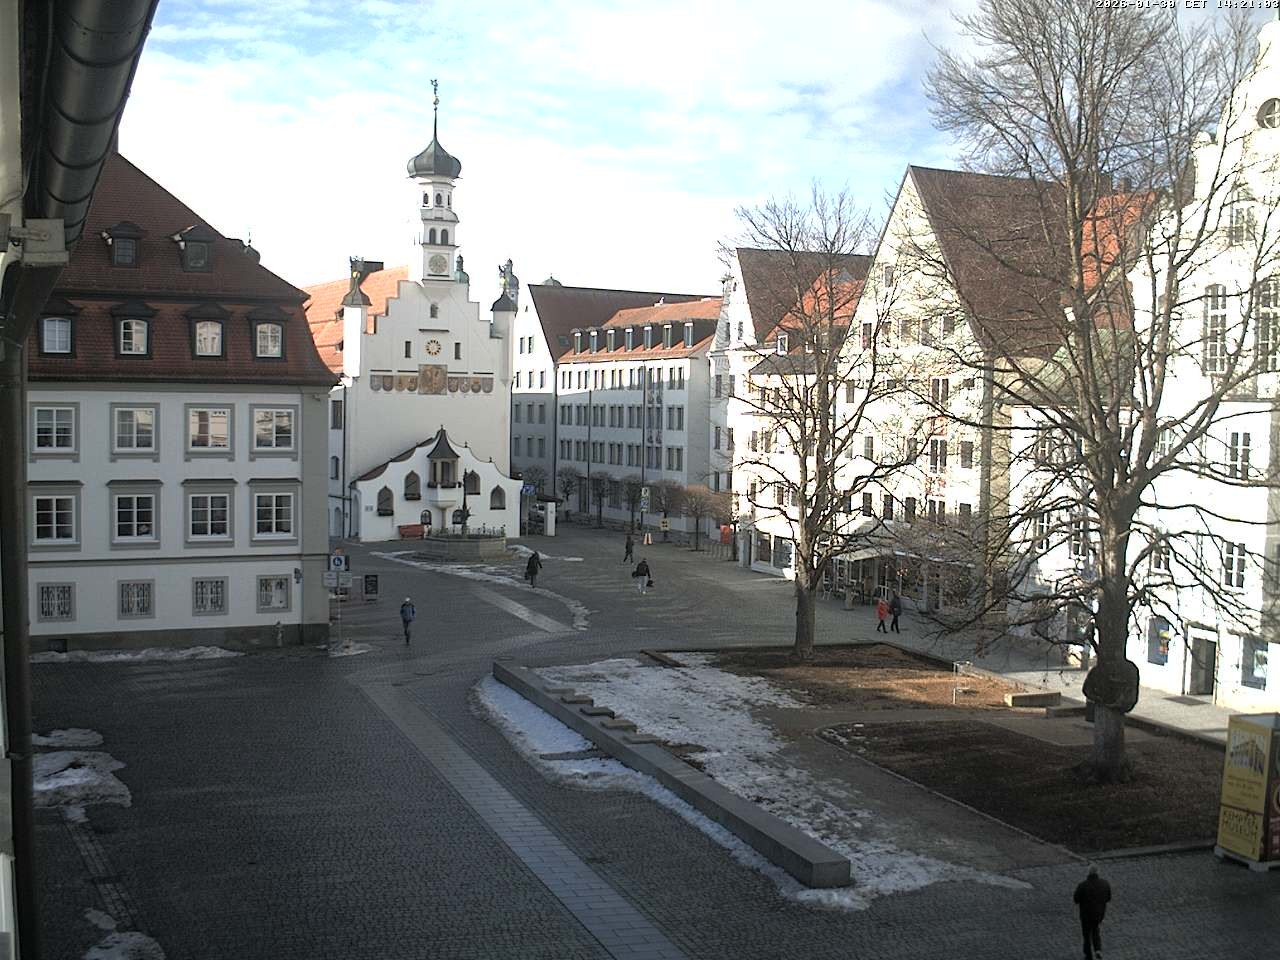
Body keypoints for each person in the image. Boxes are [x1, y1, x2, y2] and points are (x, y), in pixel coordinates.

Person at [1073, 865, 1112, 960]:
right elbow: (1108, 898)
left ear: (1089, 873)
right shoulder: (1105, 884)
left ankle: (1088, 955)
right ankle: (1098, 950)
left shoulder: (1083, 885)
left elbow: (1076, 899)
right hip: (1099, 914)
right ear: (1098, 872)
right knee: (1095, 930)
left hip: (1086, 915)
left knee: (1086, 935)